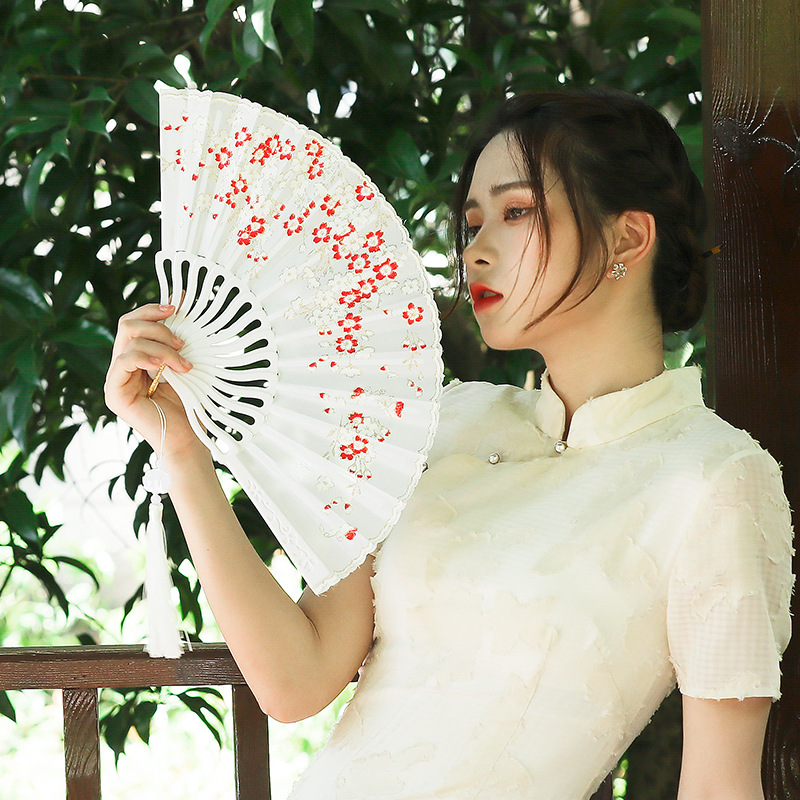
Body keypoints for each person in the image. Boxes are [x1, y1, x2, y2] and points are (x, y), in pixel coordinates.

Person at [104, 88, 795, 799]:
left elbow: (720, 787)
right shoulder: (443, 422)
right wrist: (181, 451)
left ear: (627, 238)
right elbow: (295, 680)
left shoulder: (715, 480)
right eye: (471, 225)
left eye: (517, 212)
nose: (477, 251)